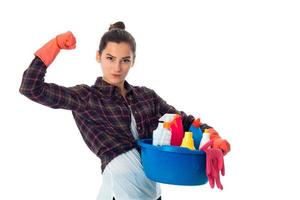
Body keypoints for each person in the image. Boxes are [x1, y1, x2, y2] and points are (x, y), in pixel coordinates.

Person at [19, 21, 230, 199]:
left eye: (125, 60)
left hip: (151, 191)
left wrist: (212, 135)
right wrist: (54, 45)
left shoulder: (146, 97)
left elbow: (184, 122)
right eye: (110, 58)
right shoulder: (86, 97)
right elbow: (30, 87)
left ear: (133, 61)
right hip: (118, 192)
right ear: (98, 56)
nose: (117, 68)